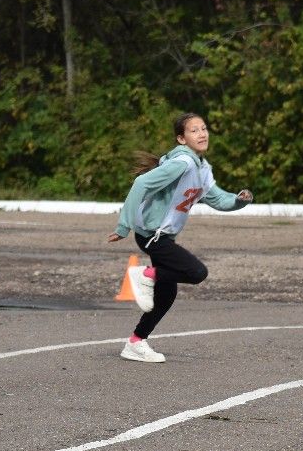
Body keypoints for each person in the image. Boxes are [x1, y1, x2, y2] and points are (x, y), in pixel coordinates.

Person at [107, 112, 252, 363]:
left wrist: (238, 201)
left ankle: (136, 342)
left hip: (163, 237)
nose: (202, 133)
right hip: (153, 235)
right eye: (194, 130)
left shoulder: (202, 168)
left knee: (167, 294)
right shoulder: (183, 163)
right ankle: (143, 275)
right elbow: (141, 184)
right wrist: (123, 226)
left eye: (204, 128)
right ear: (181, 139)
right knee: (196, 272)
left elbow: (216, 198)